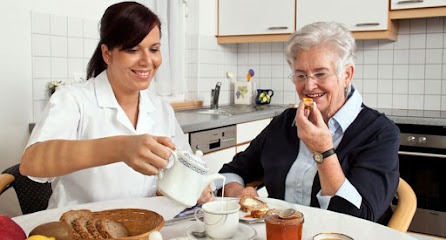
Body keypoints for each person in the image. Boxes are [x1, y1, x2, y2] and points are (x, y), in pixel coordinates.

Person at [20, 1, 214, 209]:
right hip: (79, 227)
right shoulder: (74, 99)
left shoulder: (160, 108)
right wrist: (121, 148)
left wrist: (196, 185)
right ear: (107, 54)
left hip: (145, 224)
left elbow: (181, 165)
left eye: (154, 49)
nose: (147, 61)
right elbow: (32, 162)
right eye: (133, 50)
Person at [219, 22, 400, 224]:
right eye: (301, 75)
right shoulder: (284, 123)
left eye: (320, 74)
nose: (309, 85)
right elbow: (230, 172)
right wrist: (237, 194)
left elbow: (358, 221)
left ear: (346, 75)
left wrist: (322, 151)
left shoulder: (380, 132)